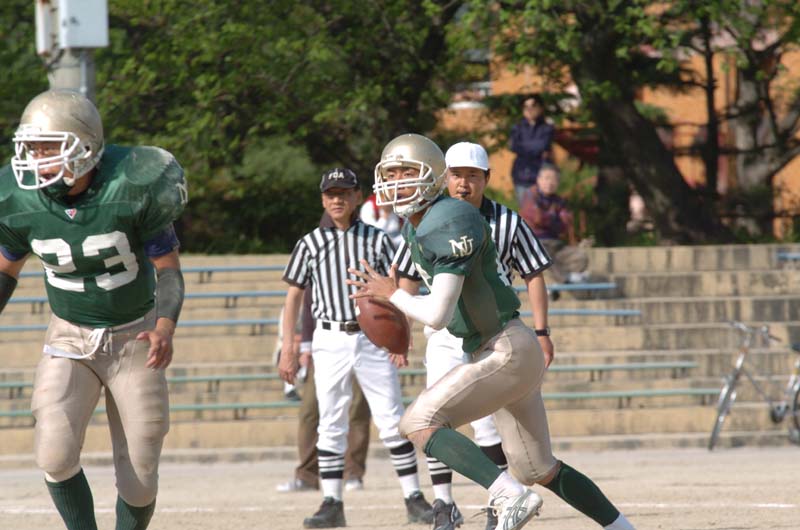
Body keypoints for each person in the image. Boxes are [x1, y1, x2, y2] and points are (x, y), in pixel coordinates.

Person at [349, 133, 636, 530]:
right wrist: (393, 307)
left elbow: (437, 314)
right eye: (391, 174)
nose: (397, 182)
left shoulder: (450, 218)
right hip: (503, 349)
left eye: (407, 172)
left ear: (433, 176)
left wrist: (392, 295)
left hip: (504, 349)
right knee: (538, 468)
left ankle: (507, 494)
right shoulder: (421, 224)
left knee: (417, 422)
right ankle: (622, 528)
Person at [0, 89, 188, 530]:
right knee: (54, 452)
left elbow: (169, 270)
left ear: (84, 148)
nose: (35, 159)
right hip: (69, 334)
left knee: (139, 480)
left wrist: (164, 327)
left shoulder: (131, 185)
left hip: (134, 335)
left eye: (47, 148)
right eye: (32, 148)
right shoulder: (21, 199)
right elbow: (6, 270)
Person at [392, 141, 553, 530]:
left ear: (486, 179)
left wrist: (543, 330)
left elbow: (533, 274)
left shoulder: (507, 220)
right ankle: (444, 503)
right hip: (444, 330)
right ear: (443, 177)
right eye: (456, 175)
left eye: (472, 176)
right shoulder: (424, 217)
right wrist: (402, 329)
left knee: (485, 426)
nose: (463, 183)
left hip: (490, 331)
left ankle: (500, 502)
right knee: (433, 415)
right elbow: (406, 277)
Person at [278, 167, 433, 528]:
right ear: (322, 200)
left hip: (370, 337)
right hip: (329, 336)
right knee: (330, 421)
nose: (337, 200)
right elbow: (293, 297)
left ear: (357, 197)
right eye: (331, 194)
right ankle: (332, 502)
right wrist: (289, 347)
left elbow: (398, 284)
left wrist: (401, 332)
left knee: (392, 418)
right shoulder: (309, 243)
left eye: (344, 193)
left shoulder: (378, 239)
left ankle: (413, 497)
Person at [276, 274, 372, 493]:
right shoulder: (321, 256)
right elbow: (308, 301)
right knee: (310, 411)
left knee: (357, 410)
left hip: (363, 341)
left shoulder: (368, 257)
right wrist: (306, 346)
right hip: (327, 341)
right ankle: (307, 475)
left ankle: (353, 473)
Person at [519, 163, 590, 284]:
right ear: (539, 180)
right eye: (547, 178)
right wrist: (554, 218)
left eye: (554, 179)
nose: (550, 182)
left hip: (556, 244)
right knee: (543, 256)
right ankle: (564, 279)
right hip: (536, 242)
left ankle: (562, 280)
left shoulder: (559, 200)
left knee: (580, 257)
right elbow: (537, 218)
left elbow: (565, 224)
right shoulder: (530, 195)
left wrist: (550, 219)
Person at [510, 94, 555, 205]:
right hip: (521, 175)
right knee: (526, 211)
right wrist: (534, 146)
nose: (529, 110)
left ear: (540, 108)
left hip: (542, 176)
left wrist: (524, 147)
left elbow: (543, 145)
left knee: (543, 210)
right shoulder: (517, 127)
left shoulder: (547, 127)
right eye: (526, 107)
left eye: (533, 106)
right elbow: (513, 146)